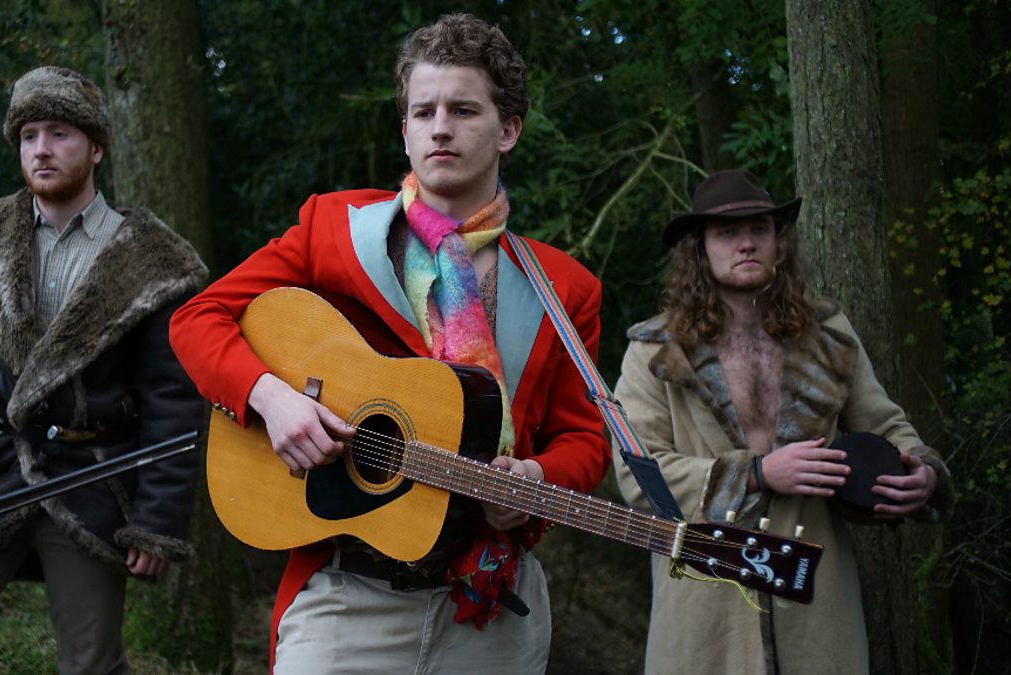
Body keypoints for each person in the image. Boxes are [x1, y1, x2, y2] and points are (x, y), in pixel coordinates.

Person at [169, 13, 610, 674]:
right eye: (423, 111)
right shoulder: (335, 229)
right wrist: (271, 399)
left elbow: (585, 439)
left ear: (508, 129)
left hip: (491, 605)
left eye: (463, 109)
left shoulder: (565, 289)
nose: (440, 127)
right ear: (404, 130)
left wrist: (537, 478)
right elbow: (198, 318)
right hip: (344, 597)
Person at [0, 65, 207, 674]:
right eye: (29, 136)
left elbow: (174, 399)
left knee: (90, 665)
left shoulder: (153, 259)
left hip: (92, 478)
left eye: (59, 133)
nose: (41, 149)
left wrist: (157, 519)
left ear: (96, 148)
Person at [612, 168, 955, 674]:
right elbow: (639, 477)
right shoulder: (656, 352)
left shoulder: (828, 334)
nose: (747, 243)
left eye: (760, 229)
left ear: (779, 243)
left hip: (816, 608)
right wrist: (757, 473)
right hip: (707, 614)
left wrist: (922, 472)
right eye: (728, 232)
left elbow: (888, 428)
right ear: (700, 249)